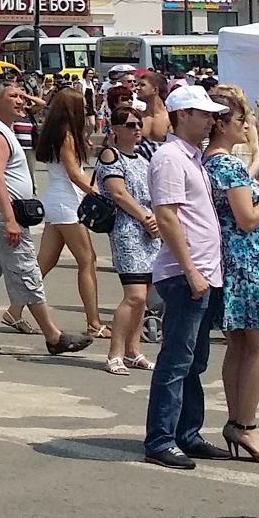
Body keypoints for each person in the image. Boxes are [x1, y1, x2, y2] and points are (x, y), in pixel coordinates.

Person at [0, 73, 90, 357]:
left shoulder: (0, 128)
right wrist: (10, 219)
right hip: (0, 217)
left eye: (21, 96)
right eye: (14, 97)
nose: (21, 101)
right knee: (27, 274)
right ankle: (53, 336)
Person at [143, 82, 234, 468]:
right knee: (177, 360)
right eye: (205, 113)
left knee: (194, 360)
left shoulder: (190, 157)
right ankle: (161, 439)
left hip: (201, 271)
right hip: (186, 273)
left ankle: (186, 433)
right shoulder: (170, 157)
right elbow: (167, 215)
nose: (212, 119)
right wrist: (191, 270)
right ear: (183, 116)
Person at [204, 84, 259, 461]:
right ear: (223, 123)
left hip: (230, 255)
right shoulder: (225, 163)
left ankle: (238, 420)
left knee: (241, 342)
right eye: (241, 120)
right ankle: (246, 425)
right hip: (245, 257)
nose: (245, 126)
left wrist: (257, 187)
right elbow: (248, 219)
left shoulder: (209, 160)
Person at [32, 85, 108, 340]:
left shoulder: (56, 133)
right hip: (67, 203)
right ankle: (94, 321)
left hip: (58, 199)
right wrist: (98, 192)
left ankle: (14, 309)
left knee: (45, 261)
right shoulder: (67, 135)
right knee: (88, 261)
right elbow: (75, 174)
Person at [93, 100, 162, 376]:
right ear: (116, 128)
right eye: (130, 125)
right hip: (127, 230)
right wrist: (146, 218)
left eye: (139, 124)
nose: (136, 129)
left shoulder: (143, 158)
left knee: (144, 296)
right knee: (133, 295)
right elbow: (119, 193)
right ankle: (115, 352)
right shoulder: (111, 156)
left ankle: (134, 350)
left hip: (149, 232)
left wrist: (156, 219)